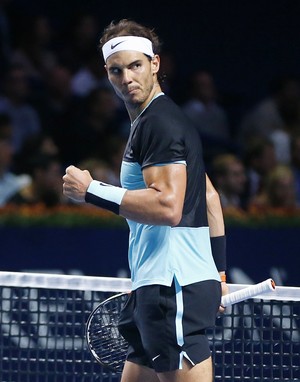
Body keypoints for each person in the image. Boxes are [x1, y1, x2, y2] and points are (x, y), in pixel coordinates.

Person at [63, 19, 227, 382]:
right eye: (116, 70)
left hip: (171, 286)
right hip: (162, 283)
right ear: (106, 74)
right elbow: (211, 198)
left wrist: (91, 190)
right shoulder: (158, 121)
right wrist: (217, 271)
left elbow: (168, 207)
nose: (127, 78)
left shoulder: (158, 123)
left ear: (155, 64)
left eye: (136, 65)